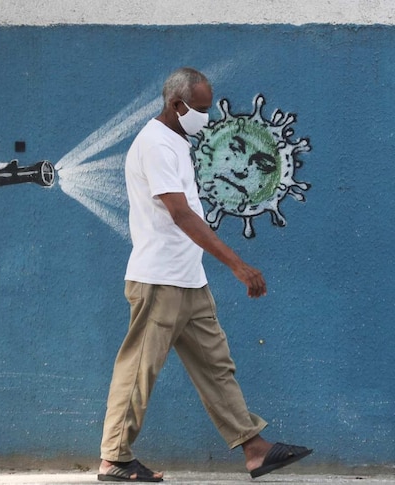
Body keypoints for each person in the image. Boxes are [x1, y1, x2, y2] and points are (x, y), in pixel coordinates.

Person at [97, 67, 312, 482]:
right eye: (199, 109)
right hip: (159, 280)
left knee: (217, 366)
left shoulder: (176, 141)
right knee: (139, 369)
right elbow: (180, 213)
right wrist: (236, 263)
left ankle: (254, 449)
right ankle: (114, 458)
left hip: (188, 279)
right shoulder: (156, 144)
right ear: (176, 105)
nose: (206, 117)